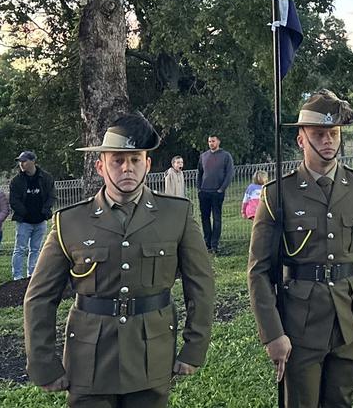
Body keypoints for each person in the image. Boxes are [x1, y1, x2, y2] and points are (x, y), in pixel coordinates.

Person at [23, 113, 215, 408]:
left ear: (147, 164)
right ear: (100, 166)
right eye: (117, 160)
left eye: (136, 159)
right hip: (90, 359)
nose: (127, 168)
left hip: (151, 356)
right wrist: (44, 363)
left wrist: (194, 347)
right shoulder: (70, 221)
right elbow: (39, 298)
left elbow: (200, 284)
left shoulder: (175, 215)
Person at [248, 89, 353, 408]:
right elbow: (259, 272)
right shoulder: (278, 194)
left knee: (341, 401)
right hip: (299, 324)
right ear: (301, 139)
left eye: (333, 133)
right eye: (318, 134)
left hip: (349, 320)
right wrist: (272, 333)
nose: (328, 140)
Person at [9, 150, 56, 280]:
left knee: (35, 249)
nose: (21, 164)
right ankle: (17, 276)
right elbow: (14, 201)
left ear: (33, 161)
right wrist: (25, 213)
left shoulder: (46, 178)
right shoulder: (16, 181)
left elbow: (52, 196)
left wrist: (45, 210)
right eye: (20, 162)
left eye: (24, 161)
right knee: (19, 249)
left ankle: (32, 274)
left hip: (40, 220)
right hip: (24, 221)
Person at [197, 133, 234, 253]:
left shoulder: (225, 156)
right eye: (209, 141)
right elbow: (200, 173)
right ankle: (206, 243)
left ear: (218, 141)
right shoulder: (203, 156)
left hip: (217, 192)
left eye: (213, 141)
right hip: (204, 192)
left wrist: (221, 189)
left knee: (217, 218)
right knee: (205, 218)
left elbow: (229, 174)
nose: (211, 143)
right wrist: (199, 188)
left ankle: (214, 244)